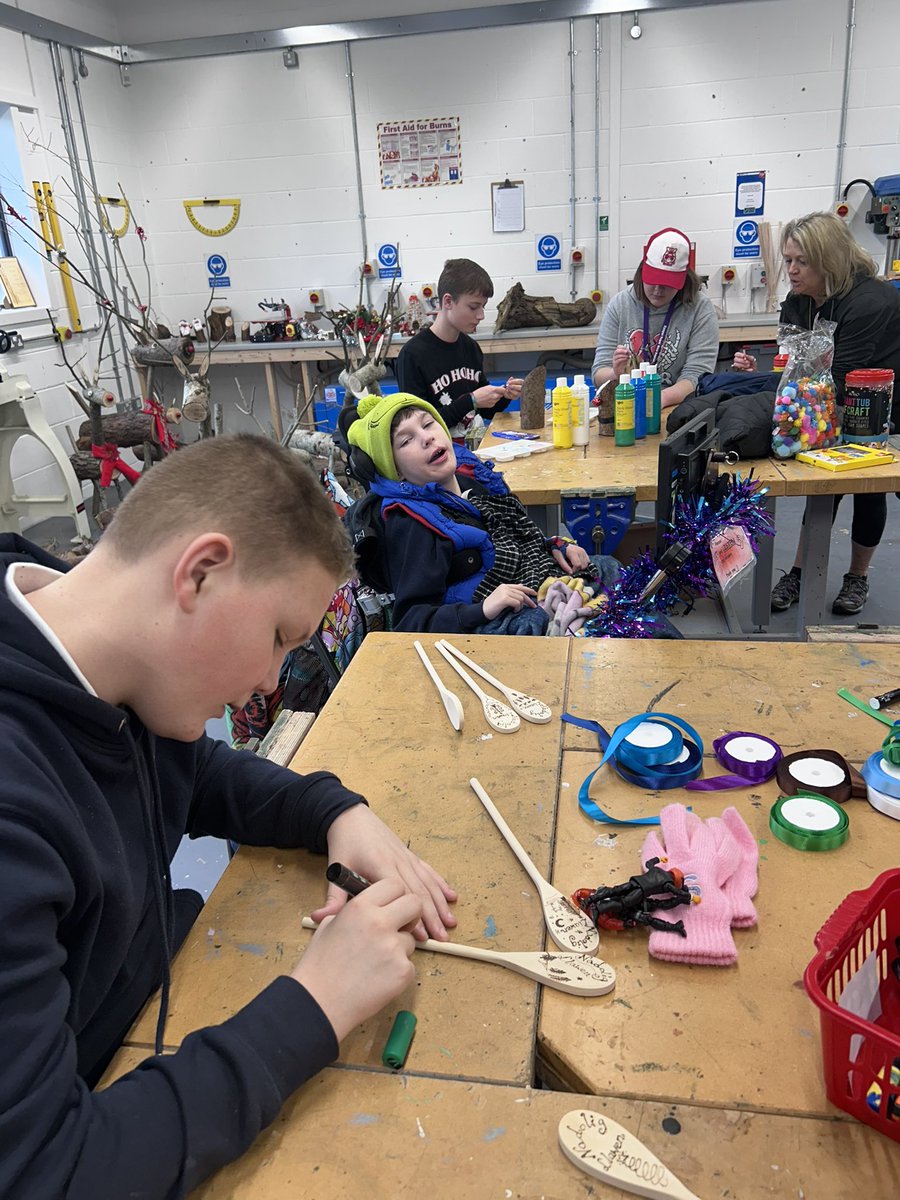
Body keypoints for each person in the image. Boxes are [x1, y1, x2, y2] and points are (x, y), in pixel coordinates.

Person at [0, 435, 457, 1198]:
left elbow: (193, 770)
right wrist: (317, 1003)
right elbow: (47, 1172)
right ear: (200, 573)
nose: (266, 682)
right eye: (279, 638)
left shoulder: (101, 669)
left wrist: (335, 810)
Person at [347, 391, 622, 636]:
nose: (427, 437)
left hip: (521, 587)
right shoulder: (412, 524)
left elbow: (513, 540)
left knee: (607, 565)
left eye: (428, 423)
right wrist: (482, 609)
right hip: (479, 623)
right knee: (537, 622)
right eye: (406, 440)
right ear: (395, 471)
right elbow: (410, 621)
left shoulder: (471, 483)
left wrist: (554, 546)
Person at [767, 212, 900, 615]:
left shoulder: (869, 302)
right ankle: (801, 572)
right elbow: (791, 364)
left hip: (880, 404)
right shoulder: (798, 301)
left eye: (801, 261)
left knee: (867, 485)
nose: (791, 270)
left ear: (829, 259)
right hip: (826, 401)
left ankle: (857, 576)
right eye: (788, 259)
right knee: (822, 488)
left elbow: (837, 378)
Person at [591, 227, 720, 410]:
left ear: (683, 279)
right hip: (625, 404)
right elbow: (598, 374)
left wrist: (658, 399)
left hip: (674, 405)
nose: (658, 290)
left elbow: (697, 375)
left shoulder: (700, 309)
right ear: (642, 271)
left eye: (667, 284)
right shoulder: (620, 304)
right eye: (653, 280)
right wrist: (616, 374)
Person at [396, 257, 523, 441]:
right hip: (440, 455)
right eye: (473, 307)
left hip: (475, 447)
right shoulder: (413, 355)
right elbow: (417, 428)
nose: (480, 315)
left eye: (483, 307)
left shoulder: (471, 348)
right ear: (448, 301)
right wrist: (470, 400)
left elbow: (485, 411)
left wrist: (505, 395)